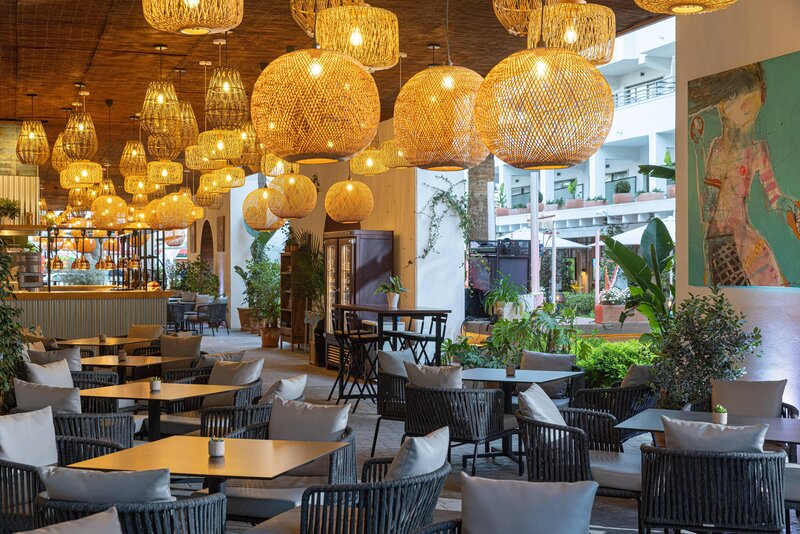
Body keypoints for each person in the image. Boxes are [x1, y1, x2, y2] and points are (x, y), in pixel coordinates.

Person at [690, 63, 799, 286]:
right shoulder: (718, 150)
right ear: (721, 105)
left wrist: (792, 207)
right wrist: (699, 149)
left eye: (749, 90)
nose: (743, 101)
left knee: (774, 282)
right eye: (733, 94)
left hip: (745, 236)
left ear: (763, 94)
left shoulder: (759, 151)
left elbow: (775, 198)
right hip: (722, 240)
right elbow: (709, 211)